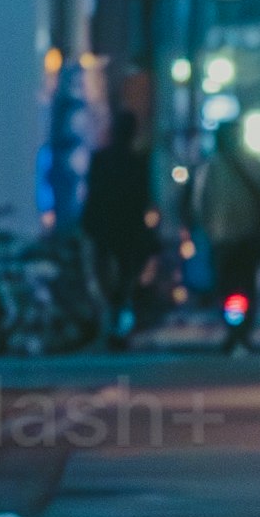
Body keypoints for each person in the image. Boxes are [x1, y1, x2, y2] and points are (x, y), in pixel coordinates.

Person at [78, 78, 158, 344]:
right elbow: (144, 198)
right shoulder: (138, 162)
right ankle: (119, 320)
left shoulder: (101, 160)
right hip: (127, 228)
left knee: (106, 275)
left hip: (104, 226)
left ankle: (111, 320)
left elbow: (93, 193)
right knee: (125, 277)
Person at [195, 110, 260, 337]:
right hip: (248, 234)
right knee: (246, 282)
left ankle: (232, 328)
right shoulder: (251, 163)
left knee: (226, 284)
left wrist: (207, 228)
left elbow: (200, 203)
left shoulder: (210, 167)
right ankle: (244, 329)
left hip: (222, 237)